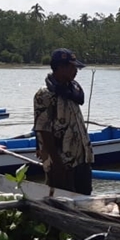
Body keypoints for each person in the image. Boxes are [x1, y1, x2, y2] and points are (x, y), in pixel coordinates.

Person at [34, 48, 93, 194]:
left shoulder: (71, 90)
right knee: (63, 199)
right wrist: (57, 164)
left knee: (85, 198)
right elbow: (44, 130)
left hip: (81, 159)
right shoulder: (45, 94)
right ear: (60, 68)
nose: (76, 71)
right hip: (62, 163)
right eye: (72, 67)